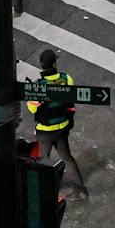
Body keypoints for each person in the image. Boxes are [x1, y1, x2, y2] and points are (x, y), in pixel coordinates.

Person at [26, 48, 88, 194]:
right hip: (62, 128)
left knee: (44, 160)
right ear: (54, 64)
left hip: (45, 131)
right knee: (67, 158)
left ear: (42, 65)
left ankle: (44, 192)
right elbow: (71, 100)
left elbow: (33, 109)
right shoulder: (67, 78)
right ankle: (80, 190)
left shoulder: (38, 85)